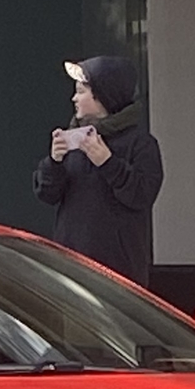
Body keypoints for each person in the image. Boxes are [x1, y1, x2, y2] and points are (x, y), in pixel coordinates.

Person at [33, 54, 163, 286]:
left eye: (81, 91)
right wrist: (54, 161)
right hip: (73, 268)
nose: (74, 98)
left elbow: (142, 195)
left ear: (103, 96)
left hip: (120, 273)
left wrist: (108, 162)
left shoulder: (141, 144)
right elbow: (47, 194)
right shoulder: (74, 138)